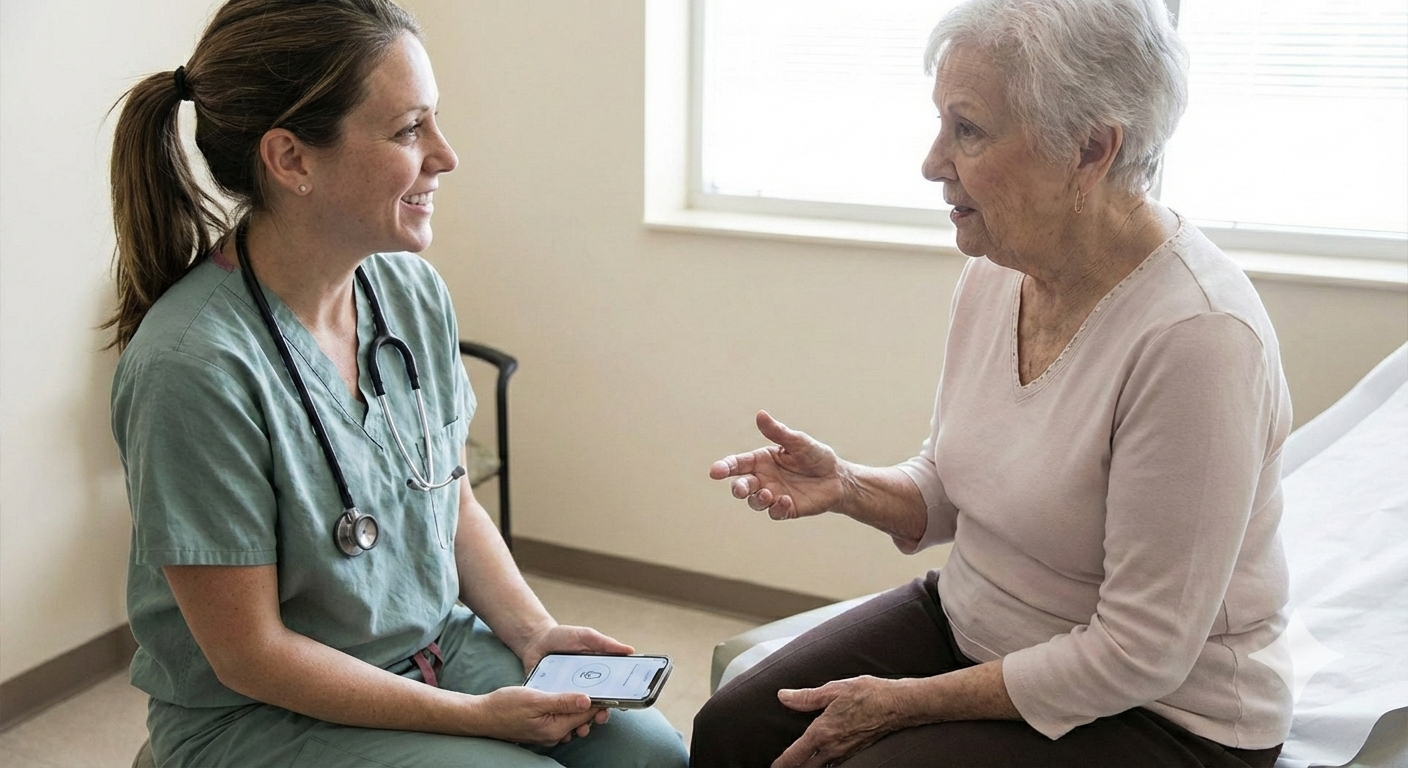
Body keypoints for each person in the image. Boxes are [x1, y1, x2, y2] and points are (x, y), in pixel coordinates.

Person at [691, 0, 1292, 765]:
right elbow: (954, 481)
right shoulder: (996, 272)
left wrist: (901, 705)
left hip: (1162, 713)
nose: (933, 161)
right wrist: (846, 484)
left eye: (967, 130)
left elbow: (1143, 653)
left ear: (1089, 149)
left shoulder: (1199, 340)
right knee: (731, 728)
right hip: (977, 626)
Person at [106, 2, 687, 766]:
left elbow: (449, 496)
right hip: (259, 711)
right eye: (410, 129)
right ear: (291, 160)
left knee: (648, 754)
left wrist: (532, 634)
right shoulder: (192, 366)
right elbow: (251, 656)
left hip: (428, 647)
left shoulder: (408, 292)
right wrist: (478, 719)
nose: (446, 155)